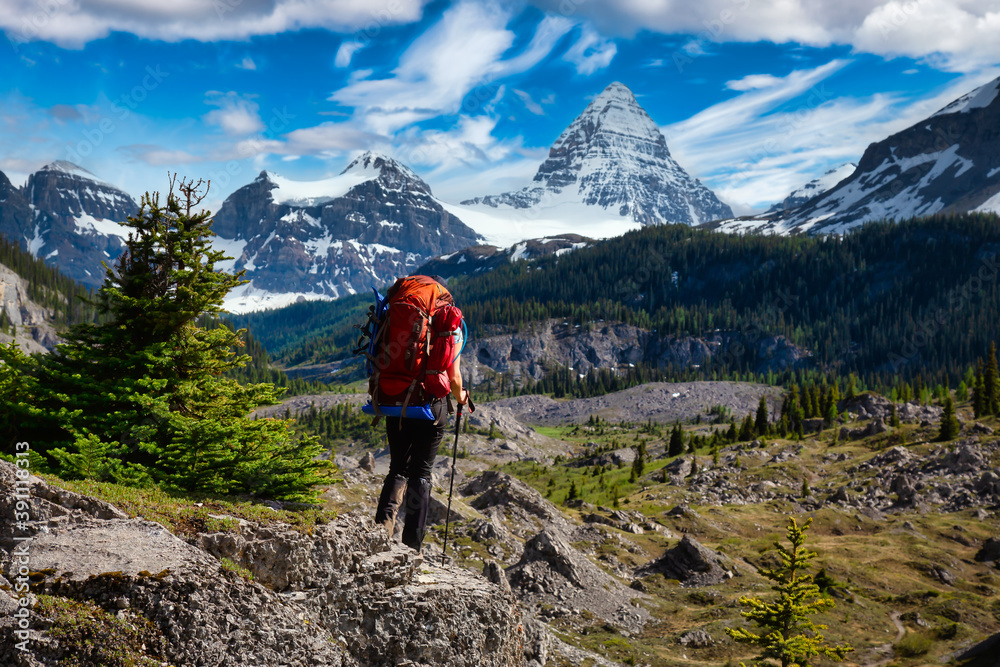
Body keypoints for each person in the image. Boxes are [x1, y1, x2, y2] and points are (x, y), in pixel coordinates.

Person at [373, 276, 469, 552]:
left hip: (397, 398)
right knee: (421, 474)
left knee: (397, 470)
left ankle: (381, 536)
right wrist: (461, 396)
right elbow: (454, 377)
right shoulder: (448, 324)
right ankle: (412, 547)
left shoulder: (395, 314)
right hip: (430, 404)